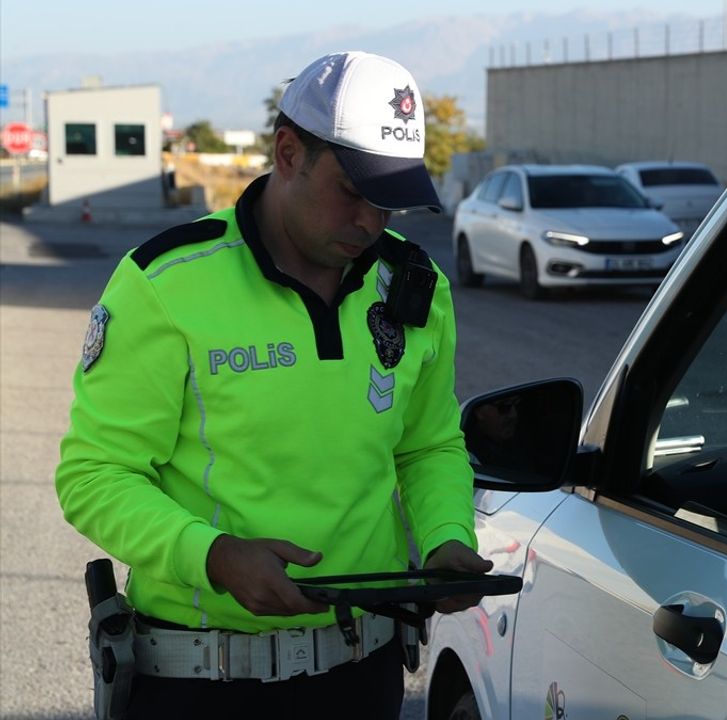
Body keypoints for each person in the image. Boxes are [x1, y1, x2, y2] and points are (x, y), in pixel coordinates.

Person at [55, 51, 492, 718]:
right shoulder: (167, 282)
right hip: (198, 683)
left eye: (389, 200)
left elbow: (428, 444)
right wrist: (214, 557)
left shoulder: (414, 286)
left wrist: (446, 538)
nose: (372, 221)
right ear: (288, 154)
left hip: (364, 674)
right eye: (352, 192)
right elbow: (95, 474)